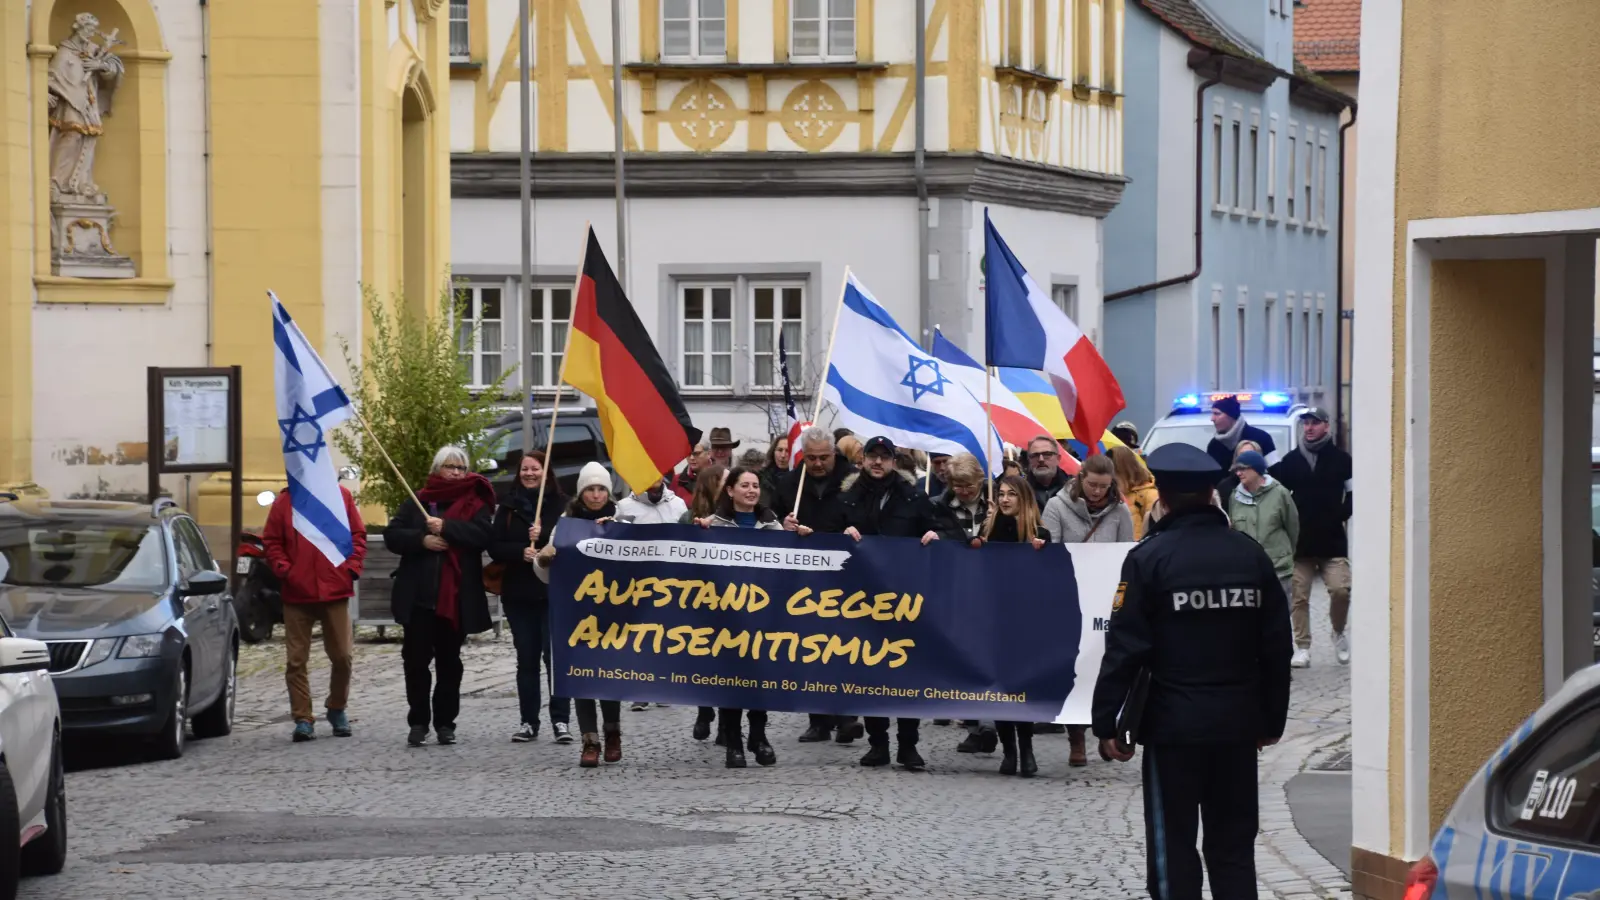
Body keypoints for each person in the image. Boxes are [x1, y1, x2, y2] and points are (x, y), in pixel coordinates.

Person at [1092, 443, 1292, 900]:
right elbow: (1277, 647)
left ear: (1162, 498)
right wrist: (1271, 720)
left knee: (1173, 844)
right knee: (1233, 847)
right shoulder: (1250, 556)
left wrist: (1107, 721)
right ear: (1211, 495)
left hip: (1172, 727)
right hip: (1237, 726)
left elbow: (1125, 647)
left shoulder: (1149, 558)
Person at [839, 436, 945, 771]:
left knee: (907, 671)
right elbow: (825, 535)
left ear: (894, 461)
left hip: (905, 598)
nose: (877, 462)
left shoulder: (914, 497)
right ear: (862, 460)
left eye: (884, 457)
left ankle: (908, 744)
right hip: (863, 599)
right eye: (872, 456)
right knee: (870, 670)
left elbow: (938, 529)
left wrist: (936, 536)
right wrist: (841, 534)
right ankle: (878, 743)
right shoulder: (848, 498)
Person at [384, 446, 496, 748]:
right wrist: (422, 540)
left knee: (450, 663)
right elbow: (392, 535)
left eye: (461, 468)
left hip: (455, 599)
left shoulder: (475, 502)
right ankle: (418, 722)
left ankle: (446, 723)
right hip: (419, 598)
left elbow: (482, 536)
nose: (456, 473)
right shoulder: (419, 501)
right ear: (437, 469)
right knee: (415, 663)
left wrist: (447, 527)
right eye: (450, 467)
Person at [1042, 453, 1134, 762]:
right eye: (1093, 485)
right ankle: (1076, 737)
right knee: (1075, 664)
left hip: (1105, 597)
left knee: (1106, 664)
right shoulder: (1057, 506)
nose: (1097, 491)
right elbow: (1051, 551)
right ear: (1081, 479)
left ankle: (1105, 731)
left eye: (1104, 486)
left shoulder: (1120, 510)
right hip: (1069, 595)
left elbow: (1126, 554)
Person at [535, 461, 625, 766]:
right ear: (581, 493)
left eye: (601, 489)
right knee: (581, 677)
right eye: (590, 489)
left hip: (613, 612)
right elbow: (546, 571)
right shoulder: (566, 523)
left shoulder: (621, 520)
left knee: (609, 676)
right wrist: (544, 559)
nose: (596, 495)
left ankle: (612, 732)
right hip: (577, 613)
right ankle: (590, 740)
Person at [262, 480, 367, 742]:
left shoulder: (340, 497)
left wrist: (351, 568)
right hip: (297, 593)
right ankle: (303, 718)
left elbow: (357, 535)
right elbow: (272, 541)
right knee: (296, 660)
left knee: (342, 656)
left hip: (335, 589)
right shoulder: (284, 502)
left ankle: (337, 707)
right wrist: (286, 570)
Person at [778, 426, 863, 744]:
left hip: (845, 574)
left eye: (823, 458)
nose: (817, 464)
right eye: (811, 458)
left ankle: (847, 715)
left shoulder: (853, 482)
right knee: (811, 647)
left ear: (834, 454)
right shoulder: (790, 483)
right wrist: (783, 524)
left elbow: (865, 519)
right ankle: (818, 720)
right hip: (804, 577)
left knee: (844, 647)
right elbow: (771, 518)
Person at [699, 466, 783, 768]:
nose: (751, 491)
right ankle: (733, 740)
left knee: (760, 678)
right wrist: (699, 535)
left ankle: (758, 736)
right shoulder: (715, 524)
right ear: (730, 490)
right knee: (731, 680)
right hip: (727, 617)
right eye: (744, 485)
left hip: (762, 616)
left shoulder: (771, 524)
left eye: (755, 485)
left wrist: (799, 536)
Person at [966, 475, 1051, 776]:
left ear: (1023, 498)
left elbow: (1051, 574)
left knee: (1021, 687)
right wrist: (976, 544)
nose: (1004, 499)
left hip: (1026, 621)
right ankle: (1009, 751)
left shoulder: (1039, 532)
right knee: (1000, 686)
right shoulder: (988, 529)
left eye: (1011, 494)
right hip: (993, 619)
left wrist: (1043, 551)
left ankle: (1026, 749)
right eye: (1001, 493)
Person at [486, 453, 573, 745]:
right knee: (527, 659)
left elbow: (572, 542)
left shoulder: (563, 505)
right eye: (525, 469)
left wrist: (544, 534)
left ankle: (560, 719)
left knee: (554, 658)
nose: (529, 473)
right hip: (519, 593)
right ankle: (528, 721)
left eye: (535, 468)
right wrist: (520, 551)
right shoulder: (508, 506)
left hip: (553, 593)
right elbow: (494, 545)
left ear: (546, 472)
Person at [1269, 407, 1353, 666]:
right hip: (1300, 543)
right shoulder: (1291, 461)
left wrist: (1340, 514)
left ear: (1326, 426)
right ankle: (1302, 646)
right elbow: (1279, 498)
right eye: (1306, 423)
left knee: (1341, 590)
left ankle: (1338, 631)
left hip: (1332, 541)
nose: (1309, 428)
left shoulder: (1342, 460)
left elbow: (1353, 493)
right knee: (1299, 596)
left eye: (1314, 423)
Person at [615, 474, 688, 712]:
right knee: (640, 635)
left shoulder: (677, 504)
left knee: (666, 634)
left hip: (670, 580)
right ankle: (640, 689)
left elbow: (688, 540)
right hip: (638, 582)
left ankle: (663, 685)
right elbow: (617, 542)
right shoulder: (625, 506)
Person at [1226, 450, 1301, 666]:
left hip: (1278, 568)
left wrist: (1286, 554)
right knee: (1252, 618)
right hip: (1248, 570)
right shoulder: (1235, 496)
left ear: (1257, 470)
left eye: (1243, 469)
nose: (1239, 473)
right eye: (1237, 469)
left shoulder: (1280, 493)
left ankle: (1281, 661)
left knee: (1279, 618)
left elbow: (1293, 528)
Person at [1206, 395, 1277, 472]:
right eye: (1212, 414)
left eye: (1217, 414)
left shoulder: (1261, 438)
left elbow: (1275, 470)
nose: (1212, 419)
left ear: (1231, 416)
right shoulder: (1214, 445)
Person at [1110, 445, 1159, 541]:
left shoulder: (1149, 495)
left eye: (1113, 472)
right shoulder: (1112, 495)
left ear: (1124, 470)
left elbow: (1156, 531)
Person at [616, 473, 688, 525]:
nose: (655, 474)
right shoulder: (623, 507)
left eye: (658, 469)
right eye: (649, 469)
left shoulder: (678, 504)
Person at [1023, 435, 1073, 510]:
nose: (1041, 459)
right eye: (1035, 455)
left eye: (1047, 454)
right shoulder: (1021, 491)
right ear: (1029, 459)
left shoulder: (1073, 488)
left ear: (1058, 458)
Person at [759, 434, 791, 509]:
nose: (783, 455)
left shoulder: (801, 479)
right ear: (773, 452)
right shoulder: (761, 477)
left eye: (787, 451)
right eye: (780, 450)